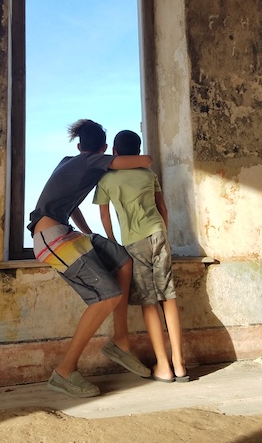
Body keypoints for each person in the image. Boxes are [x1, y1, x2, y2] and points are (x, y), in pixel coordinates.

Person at [27, 119, 152, 398]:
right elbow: (145, 159)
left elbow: (68, 205)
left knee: (122, 259)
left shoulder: (67, 161)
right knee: (107, 295)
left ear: (79, 144)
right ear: (104, 149)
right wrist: (119, 157)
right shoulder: (93, 162)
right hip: (51, 238)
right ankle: (64, 371)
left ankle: (120, 342)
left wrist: (89, 233)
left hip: (65, 231)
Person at [93, 130, 189, 383]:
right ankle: (179, 364)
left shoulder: (107, 179)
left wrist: (113, 240)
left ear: (115, 152)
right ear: (137, 151)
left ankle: (163, 367)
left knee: (149, 301)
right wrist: (163, 232)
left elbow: (105, 216)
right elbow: (163, 208)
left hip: (134, 241)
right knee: (168, 297)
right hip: (158, 234)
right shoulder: (149, 174)